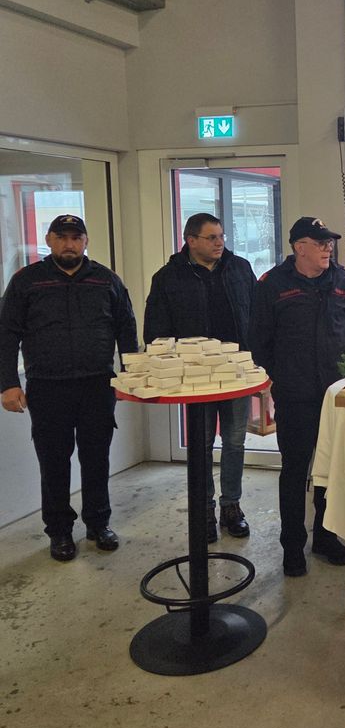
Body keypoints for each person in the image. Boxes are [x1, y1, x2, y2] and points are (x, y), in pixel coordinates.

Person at [0, 215, 138, 561]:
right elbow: (6, 334)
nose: (69, 244)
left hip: (96, 384)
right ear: (49, 240)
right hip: (48, 386)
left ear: (85, 241)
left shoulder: (106, 280)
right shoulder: (27, 281)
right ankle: (59, 531)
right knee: (54, 461)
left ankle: (98, 524)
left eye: (76, 238)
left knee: (96, 458)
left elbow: (126, 328)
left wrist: (131, 374)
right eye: (61, 237)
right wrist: (8, 384)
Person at [249, 216, 345, 577]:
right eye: (320, 242)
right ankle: (292, 546)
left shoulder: (342, 280)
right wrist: (283, 375)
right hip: (295, 396)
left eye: (330, 243)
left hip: (335, 395)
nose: (328, 248)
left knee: (331, 471)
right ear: (299, 247)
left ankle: (325, 537)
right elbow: (259, 341)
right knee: (295, 471)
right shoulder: (273, 284)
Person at [144, 212, 256, 542]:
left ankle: (231, 506)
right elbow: (156, 330)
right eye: (211, 237)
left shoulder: (240, 269)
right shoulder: (168, 277)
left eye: (221, 236)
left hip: (236, 372)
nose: (219, 243)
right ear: (191, 241)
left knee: (234, 441)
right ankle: (203, 509)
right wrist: (166, 368)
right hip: (195, 378)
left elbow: (258, 314)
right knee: (201, 444)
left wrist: (259, 361)